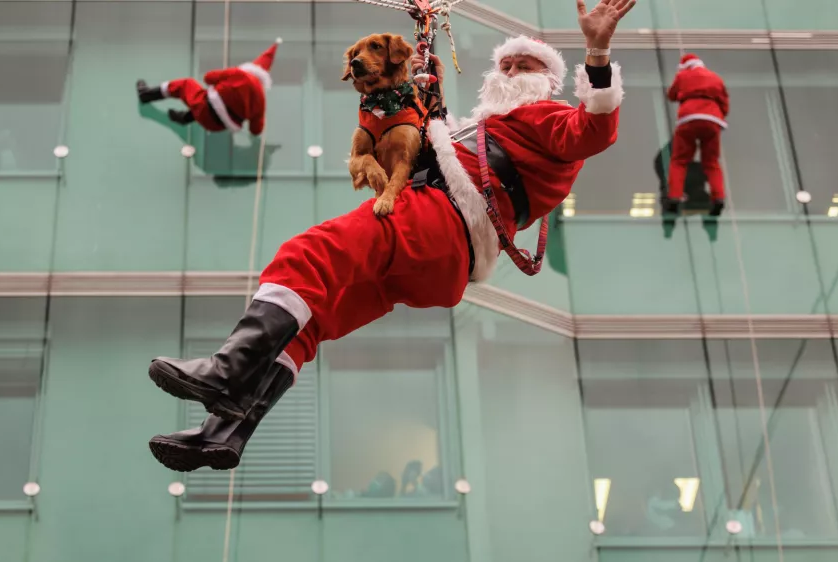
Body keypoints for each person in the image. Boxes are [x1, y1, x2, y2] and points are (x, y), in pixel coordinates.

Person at [146, 0, 635, 472]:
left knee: (306, 255)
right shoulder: (485, 129)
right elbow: (431, 143)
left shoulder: (547, 119)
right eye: (505, 64)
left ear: (548, 78)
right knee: (314, 318)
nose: (510, 72)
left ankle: (227, 370)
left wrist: (597, 52)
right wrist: (420, 91)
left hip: (437, 221)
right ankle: (227, 430)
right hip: (441, 260)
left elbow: (593, 130)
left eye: (524, 65)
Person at [136, 39, 280, 135]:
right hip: (218, 126)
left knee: (187, 85)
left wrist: (222, 82)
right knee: (204, 98)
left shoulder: (239, 74)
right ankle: (185, 118)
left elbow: (208, 77)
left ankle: (146, 94)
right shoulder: (261, 100)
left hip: (204, 109)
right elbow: (256, 130)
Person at [664, 53, 730, 216]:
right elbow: (725, 105)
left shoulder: (683, 76)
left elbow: (671, 95)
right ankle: (718, 197)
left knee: (679, 160)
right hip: (712, 120)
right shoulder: (715, 78)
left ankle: (675, 197)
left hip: (689, 119)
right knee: (711, 161)